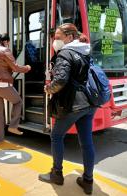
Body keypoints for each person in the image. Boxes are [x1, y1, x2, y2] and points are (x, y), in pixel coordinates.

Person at [38, 23, 96, 195]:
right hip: (89, 103)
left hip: (73, 104)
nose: (55, 41)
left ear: (70, 37)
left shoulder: (66, 52)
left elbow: (61, 80)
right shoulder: (86, 50)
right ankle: (88, 181)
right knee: (86, 142)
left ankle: (57, 174)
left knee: (56, 136)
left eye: (58, 38)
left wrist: (49, 89)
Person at [0, 33, 31, 146]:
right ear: (6, 41)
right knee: (18, 101)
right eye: (9, 42)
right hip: (2, 84)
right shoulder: (5, 50)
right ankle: (13, 126)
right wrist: (27, 68)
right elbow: (15, 67)